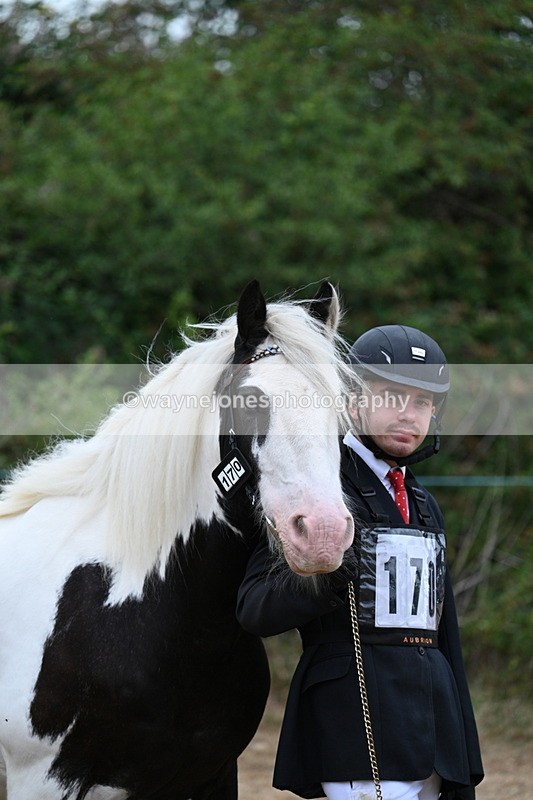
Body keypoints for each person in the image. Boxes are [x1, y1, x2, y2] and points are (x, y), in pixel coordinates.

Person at [236, 325, 484, 800]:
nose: (408, 414)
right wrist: (325, 578)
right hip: (355, 724)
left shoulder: (424, 504)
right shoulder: (320, 491)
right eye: (391, 397)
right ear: (352, 400)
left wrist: (463, 755)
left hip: (433, 731)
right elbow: (254, 609)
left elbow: (445, 636)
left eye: (422, 402)